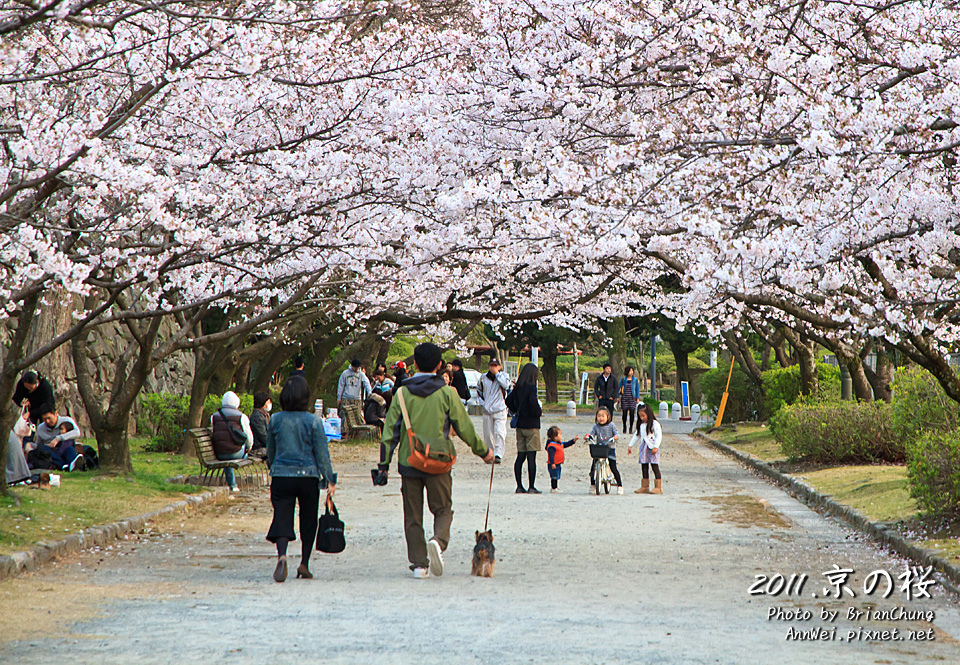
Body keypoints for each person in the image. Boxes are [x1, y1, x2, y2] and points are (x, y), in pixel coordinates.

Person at [378, 342, 493, 579]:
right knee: (443, 508)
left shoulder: (401, 393)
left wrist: (383, 464)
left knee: (412, 515)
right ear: (440, 365)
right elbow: (464, 427)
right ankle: (438, 542)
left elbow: (390, 432)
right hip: (439, 461)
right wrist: (483, 452)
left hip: (409, 461)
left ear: (415, 364)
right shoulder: (448, 393)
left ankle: (420, 565)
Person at [266, 375, 337, 582]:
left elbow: (271, 450)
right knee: (308, 519)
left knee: (282, 516)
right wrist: (330, 479)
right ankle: (304, 563)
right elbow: (322, 454)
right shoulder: (313, 421)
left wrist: (275, 466)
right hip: (308, 477)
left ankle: (282, 555)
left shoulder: (276, 419)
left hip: (281, 476)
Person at [505, 362, 542, 494]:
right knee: (531, 457)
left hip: (520, 424)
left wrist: (516, 410)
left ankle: (519, 485)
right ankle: (531, 486)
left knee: (520, 456)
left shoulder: (518, 388)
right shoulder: (532, 388)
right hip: (531, 424)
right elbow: (532, 402)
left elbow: (508, 401)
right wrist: (538, 412)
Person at [211, 391, 254, 492]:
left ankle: (233, 485)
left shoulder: (214, 416)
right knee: (238, 449)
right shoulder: (241, 416)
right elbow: (249, 437)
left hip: (220, 453)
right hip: (235, 453)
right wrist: (249, 448)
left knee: (227, 450)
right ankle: (233, 484)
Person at [477, 357, 511, 463]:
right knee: (488, 434)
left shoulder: (504, 376)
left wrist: (497, 374)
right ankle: (490, 453)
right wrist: (483, 403)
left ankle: (498, 454)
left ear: (499, 367)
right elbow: (479, 392)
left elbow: (506, 385)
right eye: (491, 365)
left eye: (495, 365)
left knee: (499, 432)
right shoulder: (483, 378)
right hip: (487, 410)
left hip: (500, 409)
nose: (493, 367)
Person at [30, 406, 83, 471]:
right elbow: (38, 444)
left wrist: (58, 438)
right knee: (42, 449)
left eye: (49, 418)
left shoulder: (66, 420)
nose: (48, 421)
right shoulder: (41, 427)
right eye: (44, 419)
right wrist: (30, 445)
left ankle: (71, 464)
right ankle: (66, 465)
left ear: (55, 413)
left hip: (65, 448)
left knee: (69, 448)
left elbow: (77, 433)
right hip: (52, 453)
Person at [629, 403, 663, 494]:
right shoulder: (641, 425)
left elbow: (658, 435)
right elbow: (637, 435)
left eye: (643, 416)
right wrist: (630, 445)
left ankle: (658, 487)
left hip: (652, 447)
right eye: (640, 416)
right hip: (644, 448)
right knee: (644, 466)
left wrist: (656, 446)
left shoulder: (655, 424)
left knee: (654, 466)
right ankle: (645, 486)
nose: (642, 418)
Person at [589, 407, 623, 495]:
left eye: (603, 416)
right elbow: (592, 434)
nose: (601, 418)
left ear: (608, 417)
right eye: (599, 416)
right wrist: (589, 437)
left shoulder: (611, 425)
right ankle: (593, 485)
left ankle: (620, 485)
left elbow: (617, 434)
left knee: (613, 467)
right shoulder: (596, 426)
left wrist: (615, 437)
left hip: (609, 448)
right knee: (593, 467)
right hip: (599, 448)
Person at [545, 426, 579, 493]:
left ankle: (555, 487)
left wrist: (573, 441)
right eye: (560, 434)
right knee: (554, 476)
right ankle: (554, 488)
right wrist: (552, 463)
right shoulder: (552, 446)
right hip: (553, 464)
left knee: (556, 475)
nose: (561, 436)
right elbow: (551, 456)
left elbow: (566, 444)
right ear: (555, 436)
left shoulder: (559, 444)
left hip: (558, 463)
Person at [249, 391, 272, 460]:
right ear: (263, 403)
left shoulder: (264, 415)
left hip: (263, 447)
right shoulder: (257, 417)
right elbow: (263, 436)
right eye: (268, 402)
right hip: (258, 448)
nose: (270, 404)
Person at [618, 366, 640, 435]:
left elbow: (637, 389)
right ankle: (624, 426)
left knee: (632, 413)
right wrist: (617, 397)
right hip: (624, 397)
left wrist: (637, 398)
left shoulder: (635, 380)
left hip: (632, 398)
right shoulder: (623, 379)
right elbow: (619, 388)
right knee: (624, 413)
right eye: (630, 371)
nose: (631, 372)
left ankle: (631, 427)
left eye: (632, 371)